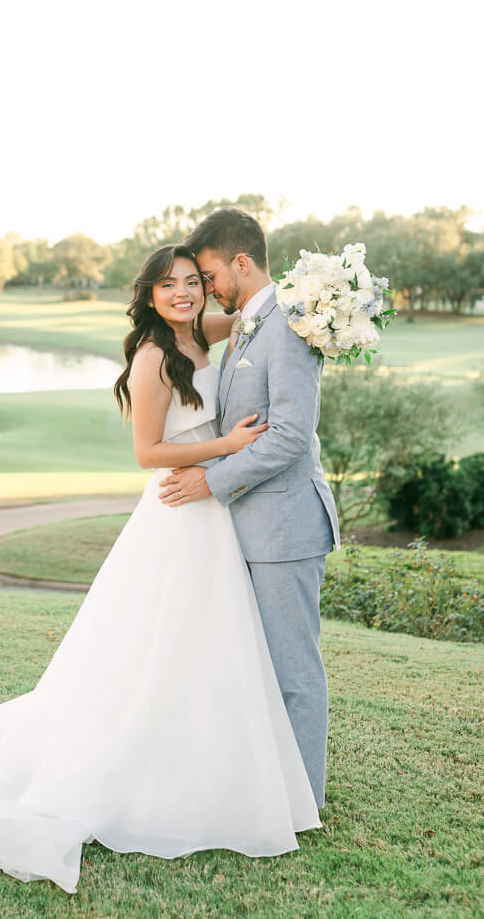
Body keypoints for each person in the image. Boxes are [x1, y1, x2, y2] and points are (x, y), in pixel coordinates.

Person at [0, 243, 321, 895]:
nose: (186, 293)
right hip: (180, 507)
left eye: (194, 281)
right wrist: (229, 447)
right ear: (150, 295)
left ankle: (210, 760)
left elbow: (261, 318)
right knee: (158, 645)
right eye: (171, 286)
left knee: (205, 647)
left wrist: (320, 306)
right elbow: (147, 451)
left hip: (211, 514)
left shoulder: (204, 334)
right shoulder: (155, 355)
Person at [158, 210, 340, 808]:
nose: (205, 288)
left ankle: (302, 800)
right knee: (255, 667)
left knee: (294, 672)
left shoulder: (285, 326)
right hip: (250, 525)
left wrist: (210, 481)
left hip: (285, 526)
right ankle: (265, 787)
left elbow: (289, 435)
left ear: (241, 263)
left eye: (208, 275)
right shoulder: (246, 323)